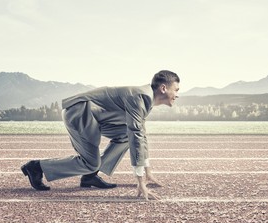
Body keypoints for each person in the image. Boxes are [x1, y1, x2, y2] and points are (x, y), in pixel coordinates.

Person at [21, 70, 180, 200]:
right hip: (80, 112)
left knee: (126, 135)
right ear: (164, 88)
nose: (177, 95)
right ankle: (37, 167)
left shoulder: (146, 100)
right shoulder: (140, 97)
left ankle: (90, 176)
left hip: (96, 118)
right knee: (90, 162)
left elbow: (140, 135)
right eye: (176, 90)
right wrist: (140, 182)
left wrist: (148, 172)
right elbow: (137, 135)